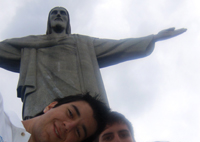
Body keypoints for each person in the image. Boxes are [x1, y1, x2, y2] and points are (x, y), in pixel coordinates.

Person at [0, 6, 186, 119]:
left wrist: (154, 38)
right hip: (42, 102)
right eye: (54, 13)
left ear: (68, 21)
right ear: (48, 21)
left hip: (80, 96)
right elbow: (4, 48)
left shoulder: (84, 43)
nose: (59, 15)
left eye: (63, 13)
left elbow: (119, 46)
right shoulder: (32, 43)